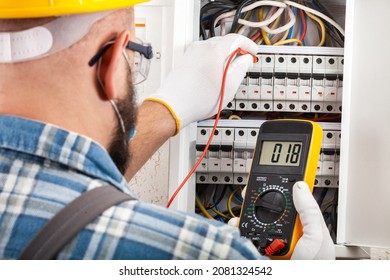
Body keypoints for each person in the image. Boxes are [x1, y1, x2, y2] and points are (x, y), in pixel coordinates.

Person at [0, 0, 334, 260]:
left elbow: (59, 184)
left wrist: (170, 109)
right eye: (137, 54)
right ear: (113, 63)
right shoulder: (204, 254)